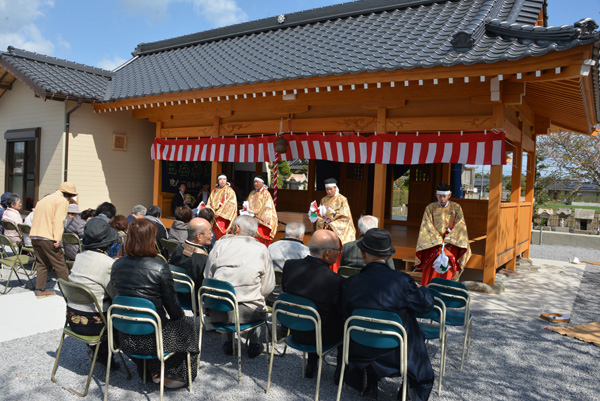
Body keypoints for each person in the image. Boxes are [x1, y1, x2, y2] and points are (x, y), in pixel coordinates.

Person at [342, 228, 435, 401]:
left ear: (363, 254)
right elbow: (425, 306)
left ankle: (371, 384)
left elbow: (345, 314)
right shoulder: (401, 281)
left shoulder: (351, 284)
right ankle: (407, 392)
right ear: (388, 256)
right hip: (396, 353)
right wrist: (424, 291)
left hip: (359, 350)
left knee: (369, 323)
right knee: (409, 325)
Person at [111, 219, 198, 388]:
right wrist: (179, 318)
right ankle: (175, 374)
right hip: (154, 338)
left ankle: (151, 371)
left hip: (125, 337)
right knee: (187, 324)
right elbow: (174, 310)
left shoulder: (116, 265)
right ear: (151, 239)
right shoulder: (159, 266)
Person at [203, 215, 275, 358]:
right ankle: (254, 345)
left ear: (236, 228)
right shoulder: (262, 249)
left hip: (219, 310)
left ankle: (228, 343)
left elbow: (207, 277)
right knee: (258, 299)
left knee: (226, 292)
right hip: (249, 312)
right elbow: (268, 286)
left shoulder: (219, 245)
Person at [281, 229, 344, 379]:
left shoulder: (290, 266)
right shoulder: (336, 281)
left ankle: (312, 364)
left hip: (295, 330)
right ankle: (340, 372)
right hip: (321, 337)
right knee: (343, 323)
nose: (339, 252)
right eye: (337, 249)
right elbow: (342, 311)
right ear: (327, 253)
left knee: (314, 313)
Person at [67, 218, 119, 369]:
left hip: (72, 318)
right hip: (94, 324)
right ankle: (104, 351)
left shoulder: (79, 257)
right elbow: (116, 296)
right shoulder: (108, 264)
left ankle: (99, 350)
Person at [415, 182, 471, 287]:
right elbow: (426, 226)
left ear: (449, 195)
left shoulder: (456, 208)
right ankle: (429, 289)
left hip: (450, 243)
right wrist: (438, 240)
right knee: (432, 269)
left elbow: (460, 225)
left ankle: (448, 291)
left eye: (444, 196)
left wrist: (449, 238)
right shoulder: (430, 208)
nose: (442, 199)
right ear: (436, 195)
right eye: (440, 196)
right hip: (433, 244)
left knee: (449, 269)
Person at [30, 182, 77, 298]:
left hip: (35, 235)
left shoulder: (43, 200)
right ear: (69, 194)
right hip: (48, 236)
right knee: (60, 264)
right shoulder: (62, 201)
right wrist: (57, 238)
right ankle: (70, 292)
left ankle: (41, 290)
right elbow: (58, 220)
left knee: (41, 263)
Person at [316, 178, 356, 272]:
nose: (329, 191)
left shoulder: (342, 199)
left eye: (331, 189)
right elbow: (319, 216)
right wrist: (322, 221)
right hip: (326, 228)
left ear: (335, 187)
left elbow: (346, 217)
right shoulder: (323, 200)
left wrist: (332, 224)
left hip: (337, 231)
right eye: (327, 189)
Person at [169, 217, 213, 293]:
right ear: (199, 236)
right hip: (194, 300)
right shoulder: (203, 259)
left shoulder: (178, 249)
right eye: (210, 232)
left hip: (176, 295)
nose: (212, 235)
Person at [244, 175, 278, 246]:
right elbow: (247, 204)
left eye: (257, 182)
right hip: (250, 221)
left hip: (260, 223)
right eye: (254, 182)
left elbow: (267, 208)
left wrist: (257, 218)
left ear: (262, 183)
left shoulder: (266, 194)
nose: (255, 184)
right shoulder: (252, 193)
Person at [207, 174, 237, 240]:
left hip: (223, 218)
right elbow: (209, 202)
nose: (222, 181)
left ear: (226, 181)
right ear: (218, 181)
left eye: (224, 179)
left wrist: (219, 213)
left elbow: (231, 204)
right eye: (220, 179)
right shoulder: (214, 191)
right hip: (213, 217)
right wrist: (210, 211)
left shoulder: (229, 191)